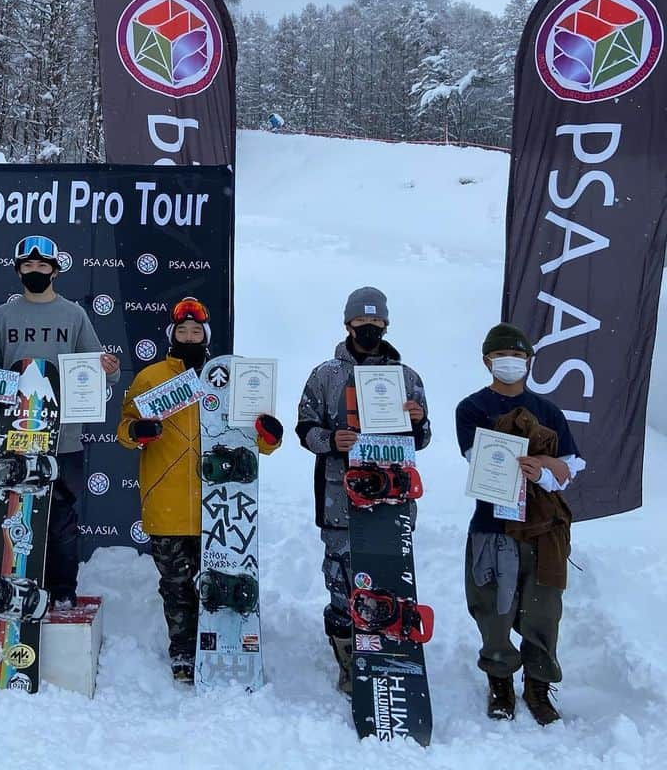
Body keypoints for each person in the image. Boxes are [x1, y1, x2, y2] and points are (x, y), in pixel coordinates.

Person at [117, 297, 283, 684]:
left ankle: (222, 647)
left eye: (196, 331)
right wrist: (137, 431)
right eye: (182, 331)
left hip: (220, 506)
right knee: (176, 586)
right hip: (168, 501)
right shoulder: (151, 378)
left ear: (206, 335)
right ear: (172, 335)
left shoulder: (228, 378)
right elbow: (124, 429)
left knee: (220, 583)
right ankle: (182, 652)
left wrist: (269, 435)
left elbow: (257, 439)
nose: (189, 336)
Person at [0, 234, 120, 607]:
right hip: (6, 437)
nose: (35, 270)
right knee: (2, 511)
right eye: (28, 265)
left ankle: (62, 591)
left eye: (42, 265)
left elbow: (99, 368)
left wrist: (108, 368)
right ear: (19, 270)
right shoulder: (3, 315)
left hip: (63, 438)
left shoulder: (73, 314)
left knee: (60, 518)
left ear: (55, 270)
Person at [295, 287, 429, 697]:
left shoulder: (406, 377)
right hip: (339, 499)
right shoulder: (325, 375)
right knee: (341, 580)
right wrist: (331, 440)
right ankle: (349, 658)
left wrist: (418, 421)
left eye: (376, 324)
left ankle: (388, 651)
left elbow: (421, 438)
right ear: (347, 324)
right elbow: (304, 427)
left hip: (392, 499)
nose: (369, 329)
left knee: (388, 579)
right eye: (361, 323)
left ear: (386, 325)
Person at [456, 322, 584, 726]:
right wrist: (519, 462)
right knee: (493, 608)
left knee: (543, 611)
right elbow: (477, 457)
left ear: (529, 361)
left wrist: (544, 467)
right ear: (487, 361)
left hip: (543, 532)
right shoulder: (472, 408)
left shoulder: (549, 411)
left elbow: (572, 466)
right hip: (493, 527)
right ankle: (499, 682)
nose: (511, 363)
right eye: (502, 357)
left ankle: (538, 686)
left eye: (519, 357)